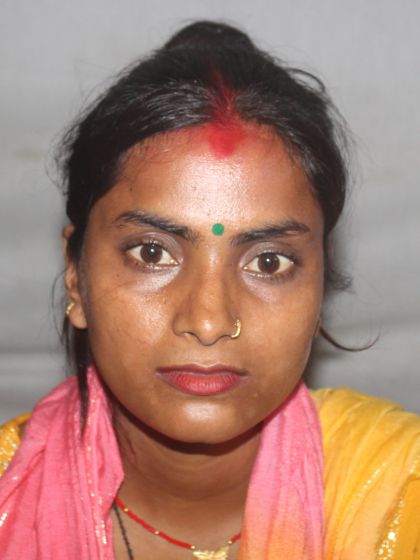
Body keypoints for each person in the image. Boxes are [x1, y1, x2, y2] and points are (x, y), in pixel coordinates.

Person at [0, 20, 418, 560]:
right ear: (76, 276)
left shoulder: (401, 493)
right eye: (152, 253)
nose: (209, 321)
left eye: (268, 261)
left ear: (319, 284)